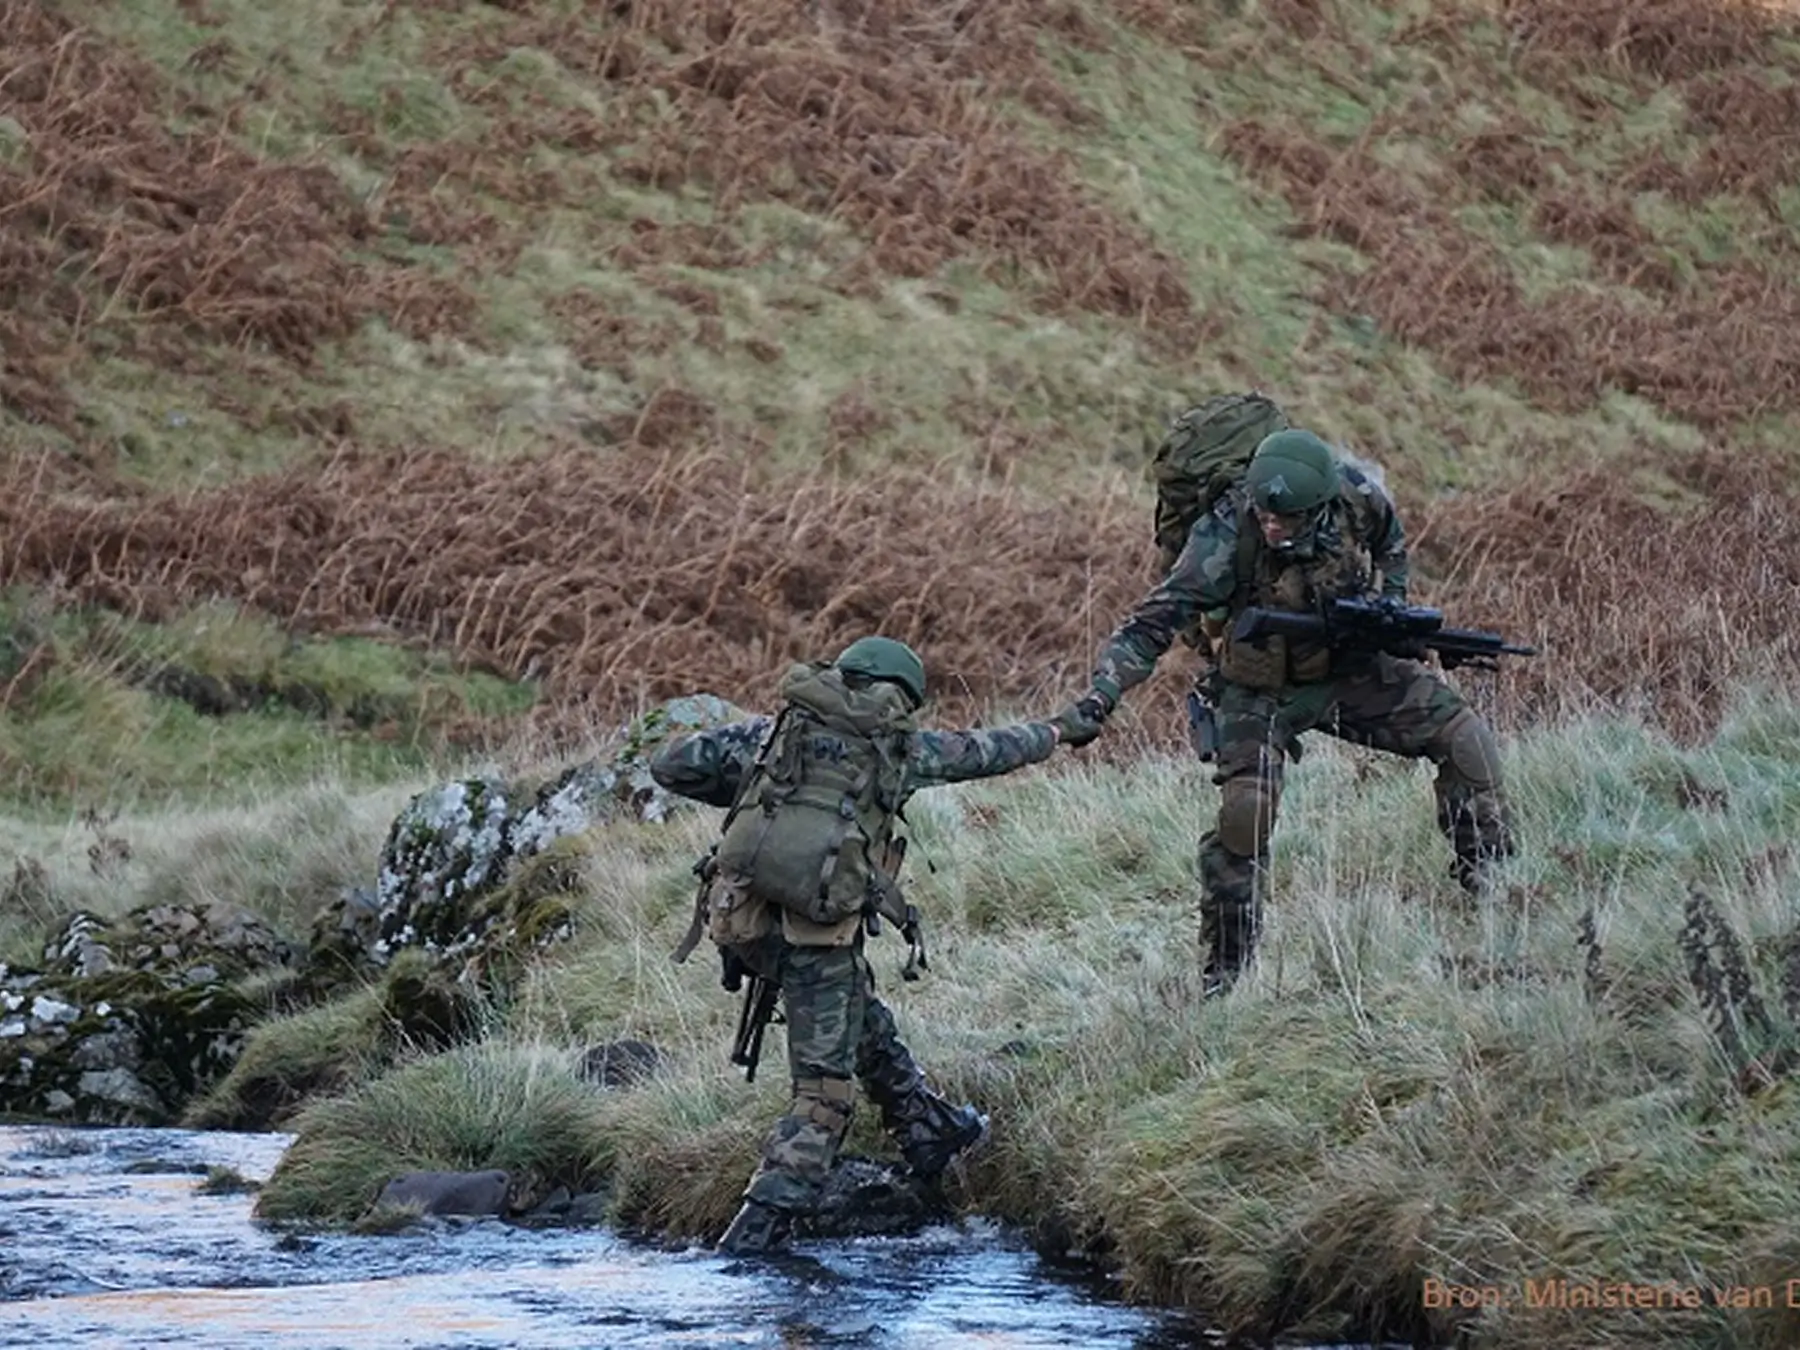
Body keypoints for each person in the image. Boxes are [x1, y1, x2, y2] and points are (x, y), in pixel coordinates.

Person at [652, 635, 1085, 1254]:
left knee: (859, 1014)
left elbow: (670, 764)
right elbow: (992, 751)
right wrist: (1058, 730)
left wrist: (763, 796)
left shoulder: (771, 736)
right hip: (818, 933)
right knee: (823, 1097)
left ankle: (926, 1127)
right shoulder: (900, 749)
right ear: (902, 696)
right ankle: (749, 1240)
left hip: (742, 922)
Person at [1054, 429, 1515, 996]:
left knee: (1468, 743)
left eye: (1286, 519)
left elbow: (1391, 541)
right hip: (1258, 689)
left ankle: (1495, 892)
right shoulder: (1225, 535)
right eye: (1265, 514)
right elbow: (1149, 625)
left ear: (1320, 507)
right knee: (1245, 815)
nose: (1271, 525)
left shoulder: (1355, 496)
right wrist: (1099, 698)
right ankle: (1227, 974)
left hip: (1348, 669)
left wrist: (1389, 610)